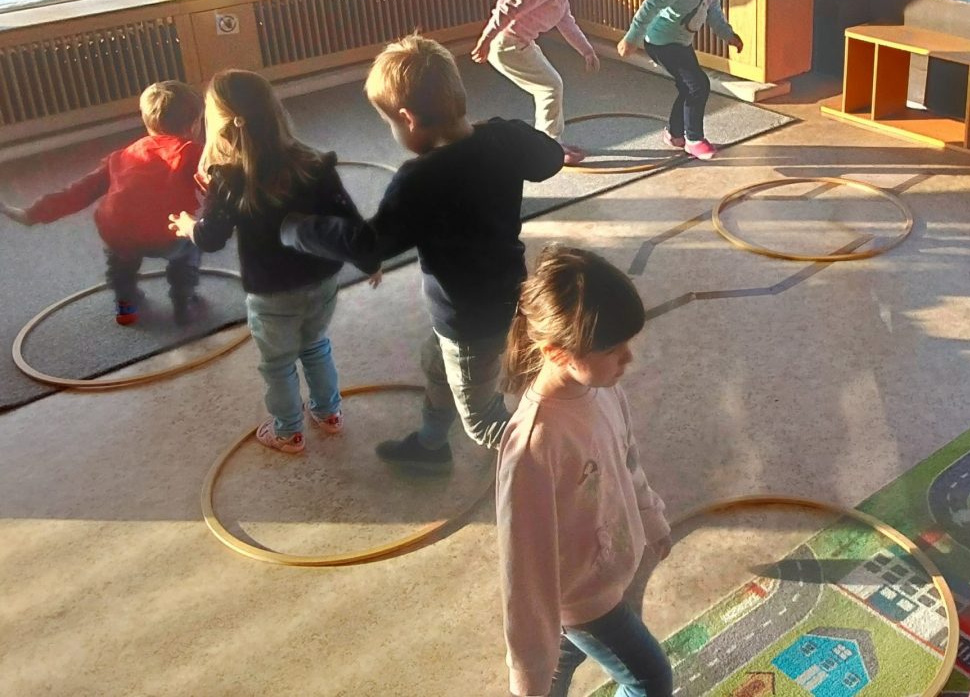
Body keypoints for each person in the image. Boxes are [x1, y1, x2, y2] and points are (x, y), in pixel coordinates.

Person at [282, 34, 563, 472]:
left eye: (389, 124)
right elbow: (551, 158)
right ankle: (432, 447)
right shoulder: (503, 138)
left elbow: (370, 247)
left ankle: (557, 462)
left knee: (482, 420)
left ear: (408, 119)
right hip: (504, 291)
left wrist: (296, 229)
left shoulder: (419, 178)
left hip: (468, 317)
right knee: (438, 366)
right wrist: (507, 133)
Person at [497, 245, 673, 697]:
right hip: (583, 599)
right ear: (557, 352)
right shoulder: (536, 446)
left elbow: (627, 460)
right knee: (650, 679)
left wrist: (650, 517)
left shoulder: (603, 389)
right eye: (613, 350)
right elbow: (525, 574)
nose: (628, 359)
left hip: (607, 573)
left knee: (565, 657)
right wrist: (528, 676)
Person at [169, 70, 375, 454]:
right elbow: (347, 217)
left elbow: (211, 237)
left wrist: (187, 226)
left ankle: (288, 432)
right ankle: (329, 413)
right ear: (274, 110)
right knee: (315, 344)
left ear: (219, 124)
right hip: (321, 280)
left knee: (278, 362)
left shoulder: (227, 178)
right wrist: (369, 259)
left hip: (271, 292)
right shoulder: (313, 162)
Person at [1, 81, 204, 326]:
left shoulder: (123, 155)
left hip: (119, 230)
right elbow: (215, 185)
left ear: (147, 123)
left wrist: (32, 214)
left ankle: (126, 308)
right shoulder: (192, 151)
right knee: (189, 249)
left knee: (122, 267)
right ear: (194, 125)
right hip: (168, 231)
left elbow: (79, 192)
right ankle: (183, 303)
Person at [617, 0, 746, 161]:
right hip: (661, 41)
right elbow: (651, 5)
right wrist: (632, 37)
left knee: (688, 87)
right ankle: (694, 139)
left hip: (681, 41)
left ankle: (675, 133)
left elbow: (712, 9)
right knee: (698, 85)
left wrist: (727, 34)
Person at [473, 0, 600, 167]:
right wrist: (486, 39)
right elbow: (507, 8)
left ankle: (549, 142)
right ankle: (550, 147)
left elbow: (565, 20)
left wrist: (586, 50)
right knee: (550, 87)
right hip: (507, 45)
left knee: (550, 86)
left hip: (520, 43)